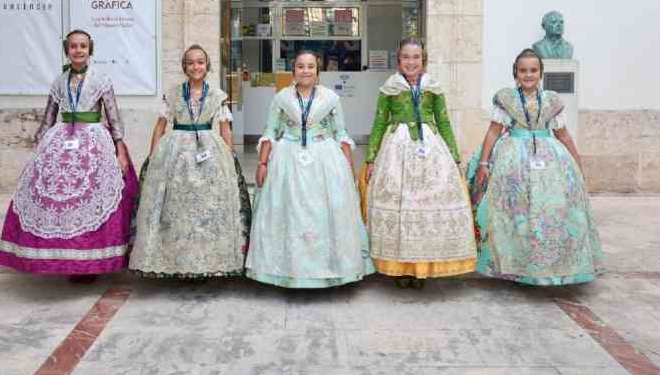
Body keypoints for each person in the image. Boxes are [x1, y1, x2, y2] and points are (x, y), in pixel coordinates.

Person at [0, 30, 138, 280]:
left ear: (90, 50)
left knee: (90, 196)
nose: (79, 50)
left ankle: (89, 261)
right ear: (67, 50)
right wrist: (40, 150)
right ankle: (63, 258)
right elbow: (49, 117)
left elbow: (114, 116)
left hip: (94, 142)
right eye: (73, 46)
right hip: (61, 141)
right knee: (57, 201)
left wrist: (120, 150)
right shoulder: (59, 82)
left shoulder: (101, 80)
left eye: (83, 46)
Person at [471, 48, 602, 285]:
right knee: (514, 211)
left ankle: (550, 264)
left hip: (549, 159)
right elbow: (493, 132)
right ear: (515, 73)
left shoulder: (551, 101)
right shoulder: (507, 99)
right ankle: (514, 264)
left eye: (533, 70)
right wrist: (483, 162)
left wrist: (577, 164)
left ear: (541, 73)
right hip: (513, 159)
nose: (528, 75)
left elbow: (563, 134)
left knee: (549, 209)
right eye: (523, 70)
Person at [246, 50, 375, 288]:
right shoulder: (281, 98)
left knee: (324, 213)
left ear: (318, 71)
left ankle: (330, 269)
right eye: (301, 66)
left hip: (324, 158)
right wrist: (262, 163)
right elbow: (271, 132)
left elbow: (341, 134)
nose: (306, 71)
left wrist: (349, 168)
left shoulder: (331, 98)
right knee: (290, 212)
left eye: (311, 67)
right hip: (288, 158)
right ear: (293, 70)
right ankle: (289, 271)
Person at [360, 38, 477, 288]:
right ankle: (402, 269)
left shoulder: (434, 87)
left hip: (431, 149)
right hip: (396, 150)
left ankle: (422, 267)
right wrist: (371, 157)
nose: (411, 62)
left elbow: (443, 121)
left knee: (425, 208)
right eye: (406, 57)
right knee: (401, 206)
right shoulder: (389, 88)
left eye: (416, 57)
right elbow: (379, 122)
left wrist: (455, 157)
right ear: (398, 60)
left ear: (424, 60)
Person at [129, 45, 251, 279]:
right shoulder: (173, 94)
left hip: (209, 149)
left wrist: (228, 157)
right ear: (184, 67)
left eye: (200, 62)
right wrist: (154, 156)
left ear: (207, 65)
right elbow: (161, 126)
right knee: (176, 206)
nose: (196, 66)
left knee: (207, 205)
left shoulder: (217, 96)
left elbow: (225, 129)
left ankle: (207, 261)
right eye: (191, 63)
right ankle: (176, 261)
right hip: (176, 152)